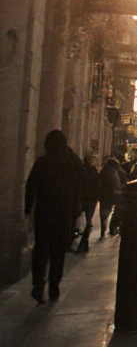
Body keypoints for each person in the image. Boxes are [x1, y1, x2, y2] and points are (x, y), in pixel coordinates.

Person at [24, 130, 86, 304]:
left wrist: (28, 209)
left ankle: (38, 283)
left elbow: (31, 186)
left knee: (40, 248)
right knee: (58, 251)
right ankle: (54, 286)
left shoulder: (42, 162)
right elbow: (83, 182)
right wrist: (79, 207)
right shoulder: (71, 162)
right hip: (63, 212)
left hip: (44, 211)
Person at [76, 152, 100, 253]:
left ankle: (81, 242)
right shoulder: (92, 170)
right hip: (90, 198)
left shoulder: (82, 169)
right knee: (87, 220)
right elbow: (97, 183)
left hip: (83, 198)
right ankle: (83, 242)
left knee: (82, 220)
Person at [98, 157, 124, 238]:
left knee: (103, 213)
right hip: (113, 195)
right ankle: (113, 228)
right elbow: (117, 184)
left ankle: (103, 229)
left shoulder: (103, 171)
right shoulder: (115, 172)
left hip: (104, 195)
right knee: (113, 212)